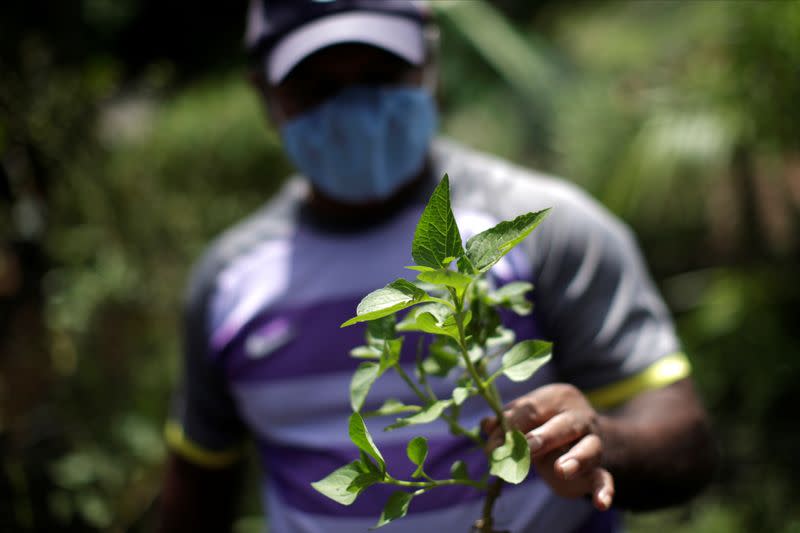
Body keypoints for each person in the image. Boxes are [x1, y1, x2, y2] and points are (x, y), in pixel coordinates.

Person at [158, 1, 716, 532]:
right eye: (318, 85)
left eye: (382, 72)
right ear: (265, 93)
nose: (357, 107)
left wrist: (595, 441)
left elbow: (685, 448)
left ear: (429, 62)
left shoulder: (553, 230)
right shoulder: (228, 283)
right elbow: (199, 493)